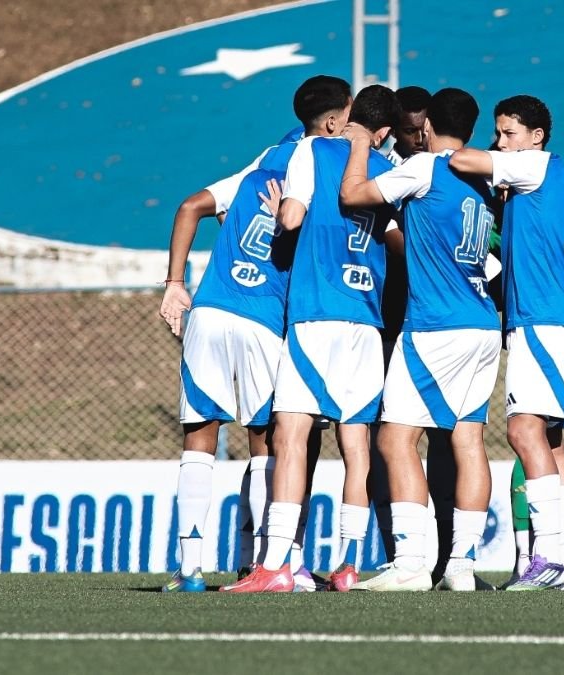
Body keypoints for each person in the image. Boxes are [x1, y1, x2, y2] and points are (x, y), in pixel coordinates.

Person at [156, 75, 351, 593]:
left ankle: (191, 567)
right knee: (267, 441)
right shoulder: (326, 186)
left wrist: (176, 283)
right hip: (266, 324)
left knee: (199, 437)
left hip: (212, 310)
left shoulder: (251, 175)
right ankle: (273, 562)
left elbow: (188, 206)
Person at [234, 84, 401, 593]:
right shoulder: (389, 168)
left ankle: (276, 564)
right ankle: (349, 565)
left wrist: (283, 206)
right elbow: (397, 240)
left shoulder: (311, 149)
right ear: (386, 130)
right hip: (366, 320)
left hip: (317, 314)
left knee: (290, 435)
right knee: (356, 444)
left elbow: (291, 217)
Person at [339, 88, 500, 592]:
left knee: (394, 437)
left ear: (428, 124)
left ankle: (410, 562)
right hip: (482, 322)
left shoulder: (426, 167)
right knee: (468, 439)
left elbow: (353, 196)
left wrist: (361, 143)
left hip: (436, 325)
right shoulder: (484, 179)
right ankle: (461, 566)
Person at [449, 95, 564, 590]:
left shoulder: (535, 165)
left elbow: (463, 159)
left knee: (524, 432)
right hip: (546, 318)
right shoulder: (534, 181)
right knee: (548, 441)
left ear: (535, 137)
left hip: (543, 319)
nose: (499, 142)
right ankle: (563, 562)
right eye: (499, 132)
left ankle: (548, 559)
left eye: (508, 133)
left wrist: (432, 155)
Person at [368, 85, 464, 586]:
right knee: (388, 436)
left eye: (422, 128)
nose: (417, 138)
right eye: (408, 131)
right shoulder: (387, 169)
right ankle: (401, 553)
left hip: (441, 321)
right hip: (387, 317)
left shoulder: (450, 168)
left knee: (447, 438)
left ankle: (449, 559)